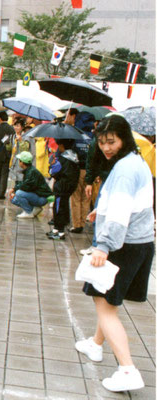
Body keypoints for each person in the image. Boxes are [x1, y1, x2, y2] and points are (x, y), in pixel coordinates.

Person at [76, 115, 154, 393]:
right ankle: (95, 345)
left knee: (104, 305)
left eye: (112, 141)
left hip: (122, 245)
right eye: (101, 142)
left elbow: (121, 212)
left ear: (124, 139)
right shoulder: (135, 161)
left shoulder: (123, 170)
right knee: (108, 302)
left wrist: (103, 245)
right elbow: (134, 204)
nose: (106, 147)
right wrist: (103, 211)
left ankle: (127, 369)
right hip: (139, 241)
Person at [46, 139, 80, 240]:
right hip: (69, 187)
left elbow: (53, 172)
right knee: (63, 207)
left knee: (58, 209)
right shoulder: (74, 157)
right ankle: (56, 229)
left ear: (62, 146)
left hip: (61, 187)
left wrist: (51, 165)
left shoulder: (62, 159)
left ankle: (60, 232)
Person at [9, 152, 52, 218]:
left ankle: (28, 212)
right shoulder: (29, 170)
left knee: (19, 193)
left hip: (42, 197)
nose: (19, 162)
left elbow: (26, 186)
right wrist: (15, 189)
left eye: (19, 160)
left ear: (22, 162)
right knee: (14, 199)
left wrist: (15, 190)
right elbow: (26, 185)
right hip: (38, 195)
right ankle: (35, 209)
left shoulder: (32, 172)